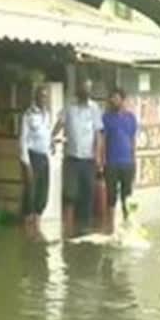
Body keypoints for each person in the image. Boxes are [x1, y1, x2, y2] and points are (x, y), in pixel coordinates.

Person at [53, 79, 104, 232]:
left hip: (88, 160)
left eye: (88, 88)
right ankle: (68, 228)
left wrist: (98, 155)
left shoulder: (95, 108)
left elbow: (98, 133)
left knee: (87, 193)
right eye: (83, 88)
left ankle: (84, 228)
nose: (86, 91)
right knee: (70, 194)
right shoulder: (69, 107)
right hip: (72, 159)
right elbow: (59, 124)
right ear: (78, 90)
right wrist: (50, 137)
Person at [101, 88, 138, 231]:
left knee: (127, 195)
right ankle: (110, 226)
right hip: (111, 162)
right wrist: (102, 160)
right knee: (111, 195)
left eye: (116, 98)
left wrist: (134, 160)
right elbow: (103, 140)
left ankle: (127, 222)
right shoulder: (106, 118)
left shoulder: (131, 118)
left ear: (123, 100)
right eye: (112, 98)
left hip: (127, 162)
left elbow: (133, 139)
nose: (113, 101)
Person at [19, 86, 52, 231]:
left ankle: (37, 224)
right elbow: (23, 141)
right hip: (32, 157)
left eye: (46, 97)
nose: (44, 99)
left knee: (43, 192)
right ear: (36, 98)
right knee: (30, 191)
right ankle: (27, 224)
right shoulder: (28, 115)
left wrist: (52, 144)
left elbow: (47, 135)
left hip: (44, 156)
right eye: (41, 96)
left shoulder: (47, 114)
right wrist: (27, 164)